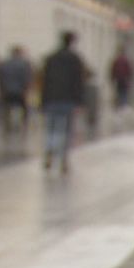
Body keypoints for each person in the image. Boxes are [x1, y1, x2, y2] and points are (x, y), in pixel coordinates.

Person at [40, 31, 86, 173]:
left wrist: (43, 100)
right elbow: (78, 82)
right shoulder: (76, 59)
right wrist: (79, 102)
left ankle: (49, 151)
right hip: (68, 100)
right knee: (66, 130)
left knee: (51, 128)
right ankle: (63, 159)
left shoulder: (50, 58)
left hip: (51, 98)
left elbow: (45, 81)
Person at [0, 46, 34, 132]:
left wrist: (2, 88)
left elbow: (0, 77)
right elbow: (27, 78)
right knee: (23, 108)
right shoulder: (24, 64)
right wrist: (27, 89)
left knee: (7, 108)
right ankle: (23, 125)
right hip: (20, 90)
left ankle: (7, 125)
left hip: (7, 90)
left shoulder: (4, 63)